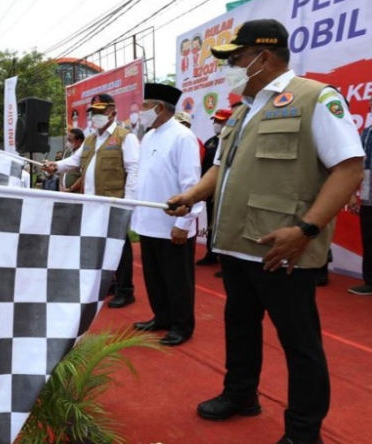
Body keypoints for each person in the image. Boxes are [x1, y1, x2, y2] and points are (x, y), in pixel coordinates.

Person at [166, 19, 364, 444]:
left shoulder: (314, 98)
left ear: (264, 56)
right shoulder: (243, 110)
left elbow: (349, 168)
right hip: (236, 245)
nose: (230, 69)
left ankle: (303, 432)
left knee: (299, 344)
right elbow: (222, 168)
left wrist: (306, 229)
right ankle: (240, 395)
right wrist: (193, 194)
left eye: (235, 59)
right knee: (240, 327)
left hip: (282, 249)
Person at [44, 93, 140, 309]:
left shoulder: (126, 137)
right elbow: (74, 162)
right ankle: (110, 284)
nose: (95, 116)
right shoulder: (90, 139)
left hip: (114, 203)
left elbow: (133, 170)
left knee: (120, 247)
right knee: (99, 246)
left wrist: (128, 204)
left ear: (113, 112)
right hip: (92, 205)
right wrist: (56, 166)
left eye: (100, 112)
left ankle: (126, 290)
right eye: (93, 112)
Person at [130, 84, 203, 347]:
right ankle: (161, 317)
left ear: (160, 107)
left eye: (146, 105)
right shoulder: (149, 136)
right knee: (155, 277)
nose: (141, 111)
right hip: (148, 222)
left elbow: (192, 185)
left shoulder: (182, 137)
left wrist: (184, 223)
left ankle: (182, 326)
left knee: (177, 280)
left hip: (173, 224)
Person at [196, 108, 233, 266]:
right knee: (211, 222)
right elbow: (203, 165)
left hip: (226, 191)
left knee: (225, 224)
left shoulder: (232, 140)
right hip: (210, 190)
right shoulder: (210, 142)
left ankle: (227, 260)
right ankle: (211, 254)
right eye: (215, 121)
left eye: (220, 121)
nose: (217, 124)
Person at [348, 96, 372, 295]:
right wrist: (353, 193)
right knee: (369, 238)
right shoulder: (366, 132)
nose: (370, 102)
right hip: (368, 195)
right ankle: (370, 282)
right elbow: (359, 166)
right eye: (371, 99)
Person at [60, 128, 84, 193]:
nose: (68, 142)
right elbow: (62, 169)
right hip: (63, 192)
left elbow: (83, 176)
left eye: (70, 140)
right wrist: (60, 186)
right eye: (67, 139)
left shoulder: (84, 154)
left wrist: (70, 189)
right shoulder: (67, 152)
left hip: (76, 194)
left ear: (78, 141)